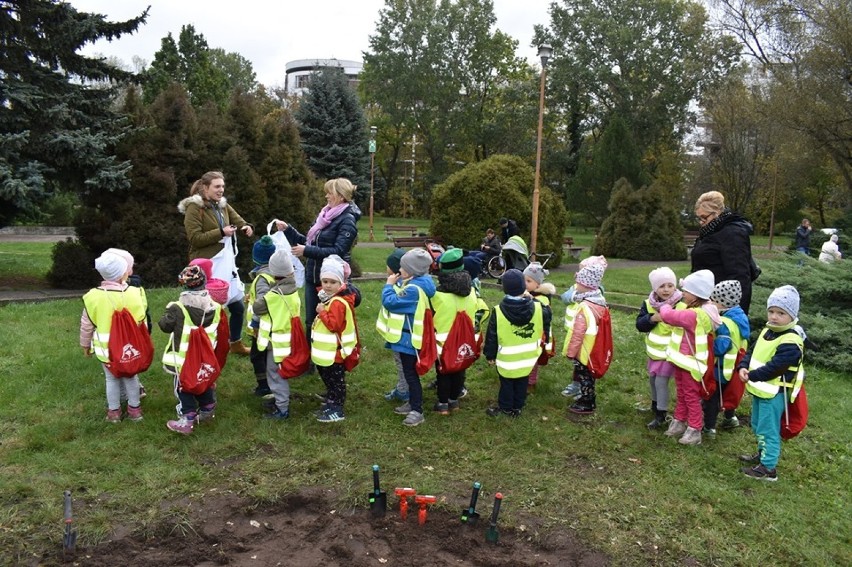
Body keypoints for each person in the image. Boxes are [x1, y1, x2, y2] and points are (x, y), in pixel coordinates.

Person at [179, 171, 254, 355]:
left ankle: (234, 343)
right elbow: (195, 238)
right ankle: (204, 347)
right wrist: (221, 232)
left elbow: (236, 218)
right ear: (205, 188)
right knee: (208, 309)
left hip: (226, 263)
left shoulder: (221, 205)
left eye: (222, 186)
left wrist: (245, 226)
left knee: (237, 306)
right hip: (206, 266)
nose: (221, 190)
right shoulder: (194, 208)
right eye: (217, 186)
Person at [279, 178, 360, 344]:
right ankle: (311, 359)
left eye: (330, 192)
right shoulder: (324, 216)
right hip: (313, 276)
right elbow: (309, 243)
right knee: (311, 320)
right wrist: (288, 230)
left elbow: (338, 251)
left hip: (333, 279)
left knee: (333, 319)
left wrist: (307, 251)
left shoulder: (347, 220)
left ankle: (336, 357)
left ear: (341, 196)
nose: (326, 196)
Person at [738, 285, 805, 481]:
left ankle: (768, 469)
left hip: (774, 393)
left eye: (781, 313)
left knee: (769, 429)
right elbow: (753, 351)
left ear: (792, 316)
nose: (774, 317)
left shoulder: (791, 341)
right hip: (761, 390)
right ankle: (763, 454)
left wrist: (753, 375)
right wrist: (743, 365)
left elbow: (777, 366)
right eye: (771, 311)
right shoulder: (768, 331)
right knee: (758, 424)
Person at [653, 270, 721, 446]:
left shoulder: (696, 315)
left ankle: (695, 428)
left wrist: (666, 304)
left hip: (691, 363)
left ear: (696, 294)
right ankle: (679, 420)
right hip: (681, 359)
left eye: (687, 291)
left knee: (690, 395)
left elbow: (669, 316)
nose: (683, 293)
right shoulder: (697, 309)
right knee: (682, 392)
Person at [80, 251, 147, 423]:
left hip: (106, 349)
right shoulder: (135, 293)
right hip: (130, 347)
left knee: (111, 378)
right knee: (131, 377)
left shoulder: (92, 297)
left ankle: (114, 412)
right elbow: (141, 319)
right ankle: (134, 410)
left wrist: (85, 344)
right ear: (124, 273)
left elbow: (87, 324)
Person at [158, 265, 223, 435]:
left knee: (183, 387)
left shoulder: (176, 308)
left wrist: (166, 316)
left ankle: (187, 418)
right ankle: (207, 410)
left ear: (184, 284)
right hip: (205, 356)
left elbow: (165, 326)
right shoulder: (215, 307)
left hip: (182, 359)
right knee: (204, 380)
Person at [376, 248, 435, 427]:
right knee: (410, 373)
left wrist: (388, 285)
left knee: (411, 375)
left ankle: (417, 410)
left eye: (402, 268)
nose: (399, 271)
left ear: (410, 271)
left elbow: (391, 302)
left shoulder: (414, 290)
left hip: (410, 340)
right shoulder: (419, 282)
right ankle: (412, 403)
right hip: (407, 338)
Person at [483, 269, 547, 417]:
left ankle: (506, 408)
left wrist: (490, 355)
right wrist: (532, 298)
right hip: (528, 357)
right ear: (524, 287)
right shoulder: (537, 307)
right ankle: (518, 406)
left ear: (504, 288)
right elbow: (547, 316)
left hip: (507, 359)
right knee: (522, 381)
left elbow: (492, 335)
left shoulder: (498, 311)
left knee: (507, 384)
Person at [252, 248, 301, 420]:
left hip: (276, 342)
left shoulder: (273, 296)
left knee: (275, 373)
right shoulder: (294, 290)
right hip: (290, 339)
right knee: (280, 372)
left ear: (273, 272)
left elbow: (257, 307)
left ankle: (282, 408)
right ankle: (280, 398)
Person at [690, 191, 756, 315]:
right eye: (699, 218)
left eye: (704, 217)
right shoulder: (708, 232)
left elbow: (740, 276)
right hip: (703, 300)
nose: (701, 222)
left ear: (717, 213)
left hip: (721, 305)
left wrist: (737, 314)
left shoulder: (733, 234)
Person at [312, 255, 359, 423]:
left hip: (335, 353)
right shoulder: (329, 299)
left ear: (341, 283)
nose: (328, 285)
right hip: (327, 352)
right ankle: (331, 402)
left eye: (333, 282)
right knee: (329, 379)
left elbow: (334, 325)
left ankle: (337, 409)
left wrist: (321, 312)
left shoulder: (338, 302)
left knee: (336, 382)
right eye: (325, 281)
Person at [431, 248, 478, 414]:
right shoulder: (471, 292)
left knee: (443, 372)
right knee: (459, 369)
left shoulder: (437, 295)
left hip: (442, 342)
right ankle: (454, 400)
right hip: (465, 339)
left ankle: (443, 404)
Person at [635, 267, 683, 430]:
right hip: (654, 353)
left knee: (662, 382)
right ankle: (655, 406)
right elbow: (640, 325)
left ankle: (661, 414)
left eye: (670, 285)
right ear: (655, 288)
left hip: (671, 353)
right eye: (662, 286)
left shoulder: (681, 304)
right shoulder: (649, 304)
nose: (667, 290)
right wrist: (652, 318)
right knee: (653, 379)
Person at [560, 256, 609, 415]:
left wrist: (571, 352)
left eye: (579, 283)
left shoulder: (585, 307)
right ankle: (585, 396)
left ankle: (587, 402)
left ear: (585, 285)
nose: (576, 285)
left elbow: (578, 334)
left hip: (584, 350)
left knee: (584, 374)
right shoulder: (599, 302)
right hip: (593, 347)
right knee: (588, 374)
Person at [702, 280, 750, 436]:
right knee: (731, 391)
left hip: (721, 368)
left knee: (712, 397)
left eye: (714, 301)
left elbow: (722, 346)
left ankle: (709, 427)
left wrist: (708, 346)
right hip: (736, 365)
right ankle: (730, 418)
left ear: (722, 304)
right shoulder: (741, 318)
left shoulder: (724, 323)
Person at [245, 235, 278, 397]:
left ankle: (264, 385)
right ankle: (273, 382)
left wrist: (256, 325)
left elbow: (263, 302)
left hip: (263, 327)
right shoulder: (277, 273)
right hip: (276, 323)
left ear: (255, 259)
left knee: (258, 356)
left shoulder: (262, 279)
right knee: (270, 355)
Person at [381, 249, 411, 404]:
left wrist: (388, 286)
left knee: (402, 364)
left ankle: (404, 391)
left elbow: (390, 302)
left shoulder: (399, 287)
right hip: (400, 333)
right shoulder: (405, 284)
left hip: (402, 335)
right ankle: (402, 387)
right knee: (402, 364)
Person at [523, 262, 556, 393]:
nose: (525, 283)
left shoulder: (543, 298)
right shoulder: (527, 293)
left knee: (533, 360)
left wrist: (530, 300)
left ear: (538, 284)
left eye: (528, 280)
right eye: (523, 280)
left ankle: (531, 383)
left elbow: (543, 312)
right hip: (527, 332)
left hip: (538, 335)